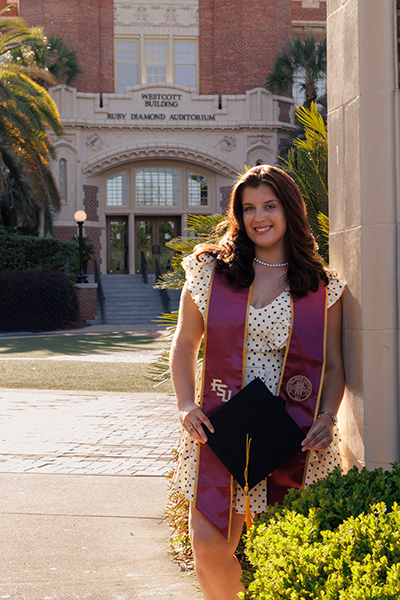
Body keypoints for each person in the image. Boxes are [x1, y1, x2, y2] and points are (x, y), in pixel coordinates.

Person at [170, 165, 345, 600]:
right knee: (208, 549)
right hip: (219, 426)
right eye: (248, 208)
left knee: (276, 553)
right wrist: (185, 404)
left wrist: (327, 415)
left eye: (269, 205)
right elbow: (185, 341)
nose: (258, 217)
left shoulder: (323, 287)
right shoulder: (211, 272)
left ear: (289, 210)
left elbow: (336, 366)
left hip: (289, 435)